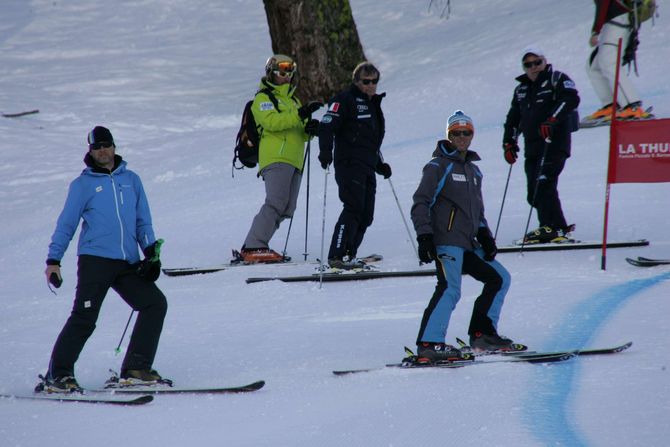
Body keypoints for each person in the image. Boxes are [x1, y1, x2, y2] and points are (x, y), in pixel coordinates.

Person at [36, 126, 168, 393]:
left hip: (126, 263)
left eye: (106, 145)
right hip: (95, 260)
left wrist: (151, 254)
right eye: (97, 147)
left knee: (154, 303)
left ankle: (136, 368)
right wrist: (54, 260)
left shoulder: (131, 180)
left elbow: (143, 221)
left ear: (114, 147)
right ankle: (58, 375)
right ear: (90, 151)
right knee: (84, 317)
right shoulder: (82, 185)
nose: (103, 151)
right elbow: (67, 224)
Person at [411, 111, 514, 361]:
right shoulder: (438, 166)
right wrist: (424, 236)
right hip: (446, 241)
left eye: (466, 132)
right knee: (450, 288)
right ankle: (430, 343)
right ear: (449, 135)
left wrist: (485, 235)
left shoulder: (473, 171)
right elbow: (420, 202)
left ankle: (483, 334)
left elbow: (476, 211)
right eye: (456, 133)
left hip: (468, 243)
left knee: (500, 278)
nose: (462, 137)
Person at [238, 54, 322, 263]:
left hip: (294, 160)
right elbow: (272, 123)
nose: (286, 76)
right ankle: (253, 245)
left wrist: (309, 130)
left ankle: (259, 245)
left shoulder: (293, 100)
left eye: (289, 73)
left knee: (287, 208)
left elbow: (298, 130)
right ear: (271, 74)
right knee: (275, 202)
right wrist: (300, 114)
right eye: (281, 72)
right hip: (275, 157)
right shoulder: (263, 98)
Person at [502, 47, 580, 244]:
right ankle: (556, 226)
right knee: (533, 191)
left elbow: (571, 99)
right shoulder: (521, 89)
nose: (533, 67)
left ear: (545, 62)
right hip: (533, 146)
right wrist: (509, 142)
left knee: (544, 183)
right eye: (528, 65)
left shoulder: (557, 79)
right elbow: (513, 118)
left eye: (537, 62)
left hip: (554, 142)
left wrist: (552, 120)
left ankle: (552, 227)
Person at [318, 61, 391, 269]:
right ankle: (336, 256)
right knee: (353, 207)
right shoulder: (344, 100)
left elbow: (369, 141)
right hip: (348, 164)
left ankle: (349, 254)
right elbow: (326, 126)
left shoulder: (373, 105)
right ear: (356, 82)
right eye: (365, 81)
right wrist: (325, 151)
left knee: (366, 214)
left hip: (367, 165)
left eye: (374, 81)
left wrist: (379, 165)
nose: (370, 85)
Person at [584, 0, 653, 124]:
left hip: (617, 23)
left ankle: (632, 106)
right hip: (613, 23)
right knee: (593, 67)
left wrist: (596, 31)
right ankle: (611, 105)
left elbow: (604, 4)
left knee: (609, 64)